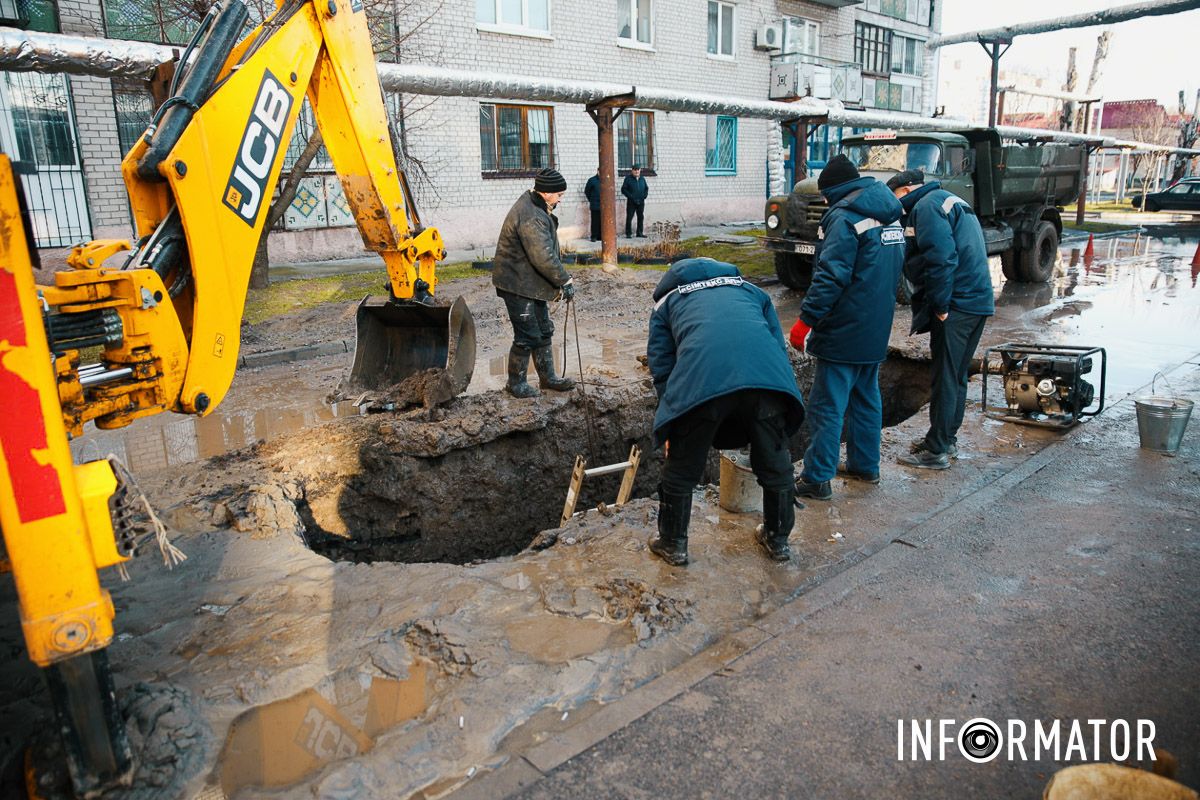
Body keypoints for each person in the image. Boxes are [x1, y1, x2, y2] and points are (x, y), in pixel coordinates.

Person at [647, 258, 805, 564]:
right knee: (775, 461)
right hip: (765, 380)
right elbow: (776, 344)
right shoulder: (751, 291)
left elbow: (662, 366)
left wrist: (672, 420)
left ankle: (673, 544)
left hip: (701, 381)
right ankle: (778, 540)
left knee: (681, 468)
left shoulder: (667, 302)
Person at [790, 154, 905, 501]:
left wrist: (806, 321)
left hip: (844, 329)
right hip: (876, 326)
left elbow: (831, 276)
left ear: (834, 191)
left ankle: (817, 478)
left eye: (825, 196)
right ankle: (865, 465)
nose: (825, 202)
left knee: (828, 405)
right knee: (866, 398)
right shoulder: (891, 214)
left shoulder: (843, 217)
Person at [887, 169, 995, 469]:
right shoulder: (947, 199)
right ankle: (945, 438)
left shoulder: (927, 207)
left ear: (906, 191)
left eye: (894, 196)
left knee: (947, 376)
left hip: (958, 304)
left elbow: (941, 257)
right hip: (975, 300)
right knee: (956, 375)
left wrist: (940, 304)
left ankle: (937, 450)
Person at [491, 167, 577, 398]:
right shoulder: (531, 215)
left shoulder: (537, 205)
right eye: (559, 194)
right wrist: (564, 279)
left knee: (543, 330)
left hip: (528, 280)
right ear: (547, 193)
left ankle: (548, 379)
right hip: (517, 283)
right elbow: (542, 256)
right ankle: (515, 383)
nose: (561, 198)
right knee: (527, 334)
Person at [621, 164, 648, 238]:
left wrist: (644, 196)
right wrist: (631, 196)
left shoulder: (642, 178)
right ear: (632, 170)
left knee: (640, 217)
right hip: (632, 202)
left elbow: (646, 188)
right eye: (635, 170)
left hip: (641, 202)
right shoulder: (628, 179)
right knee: (629, 217)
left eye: (638, 169)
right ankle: (628, 233)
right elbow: (623, 189)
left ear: (640, 170)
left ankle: (639, 233)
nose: (636, 171)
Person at [584, 170, 601, 242]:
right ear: (598, 171)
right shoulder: (592, 180)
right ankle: (594, 236)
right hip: (595, 205)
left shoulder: (605, 179)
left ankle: (600, 237)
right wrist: (591, 199)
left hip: (604, 206)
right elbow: (587, 191)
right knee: (595, 221)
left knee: (602, 222)